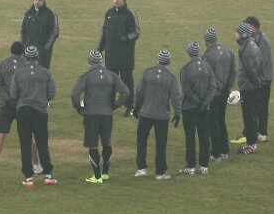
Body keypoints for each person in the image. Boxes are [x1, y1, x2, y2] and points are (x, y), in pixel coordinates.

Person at [70, 49, 130, 184]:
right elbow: (125, 92)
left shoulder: (86, 76)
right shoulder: (111, 75)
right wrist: (115, 106)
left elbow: (74, 94)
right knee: (107, 143)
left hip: (91, 114)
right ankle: (105, 173)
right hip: (107, 114)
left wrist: (79, 109)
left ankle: (97, 176)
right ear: (101, 61)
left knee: (93, 145)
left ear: (89, 62)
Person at [10, 45, 57, 187]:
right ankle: (48, 175)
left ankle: (28, 177)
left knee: (25, 144)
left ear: (25, 57)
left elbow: (13, 94)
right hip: (40, 111)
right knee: (42, 143)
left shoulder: (18, 73)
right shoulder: (45, 73)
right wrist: (43, 100)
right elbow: (52, 92)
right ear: (37, 57)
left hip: (23, 111)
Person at [132, 49, 182, 180]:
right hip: (162, 116)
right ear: (169, 62)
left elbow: (139, 93)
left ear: (157, 60)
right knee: (161, 144)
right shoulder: (171, 77)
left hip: (146, 113)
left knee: (141, 141)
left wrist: (136, 108)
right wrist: (177, 113)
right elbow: (176, 97)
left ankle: (141, 168)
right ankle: (160, 173)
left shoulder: (147, 73)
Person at [98, 0, 141, 117]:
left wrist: (126, 38)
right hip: (111, 56)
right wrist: (99, 48)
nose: (116, 0)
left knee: (126, 81)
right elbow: (104, 33)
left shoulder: (130, 14)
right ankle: (110, 105)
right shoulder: (109, 13)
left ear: (124, 0)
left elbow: (136, 32)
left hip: (125, 56)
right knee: (110, 81)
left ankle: (130, 106)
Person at [0, 41, 25, 174]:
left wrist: (7, 98)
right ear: (23, 52)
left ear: (11, 51)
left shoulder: (3, 64)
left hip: (5, 106)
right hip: (22, 106)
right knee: (29, 137)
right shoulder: (26, 65)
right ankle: (36, 166)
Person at [179, 41, 215, 175]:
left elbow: (186, 90)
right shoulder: (208, 67)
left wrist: (197, 101)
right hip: (204, 108)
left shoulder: (186, 68)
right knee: (204, 136)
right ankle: (204, 166)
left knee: (190, 136)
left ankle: (191, 166)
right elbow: (212, 87)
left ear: (188, 53)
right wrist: (204, 102)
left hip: (189, 107)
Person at [203, 27, 236, 161]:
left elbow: (206, 76)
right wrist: (228, 86)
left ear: (206, 40)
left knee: (213, 122)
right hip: (224, 92)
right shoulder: (228, 51)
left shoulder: (207, 56)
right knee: (221, 120)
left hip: (213, 94)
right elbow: (233, 71)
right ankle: (224, 150)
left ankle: (215, 153)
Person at [234, 22, 264, 155]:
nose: (235, 34)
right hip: (253, 86)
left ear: (243, 35)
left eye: (237, 33)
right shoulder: (253, 45)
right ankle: (252, 143)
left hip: (248, 87)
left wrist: (255, 82)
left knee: (249, 117)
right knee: (251, 116)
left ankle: (252, 145)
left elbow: (250, 69)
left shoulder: (245, 49)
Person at [246, 15, 273, 142]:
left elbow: (263, 63)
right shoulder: (257, 38)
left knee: (260, 106)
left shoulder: (263, 42)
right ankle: (256, 132)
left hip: (264, 79)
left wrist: (259, 80)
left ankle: (262, 133)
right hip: (261, 78)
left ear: (252, 27)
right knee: (258, 106)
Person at [20, 0, 59, 69]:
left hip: (42, 55)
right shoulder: (28, 13)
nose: (37, 2)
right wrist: (23, 46)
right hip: (27, 53)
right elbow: (22, 30)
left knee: (42, 77)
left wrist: (45, 49)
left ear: (43, 1)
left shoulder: (50, 14)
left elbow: (54, 33)